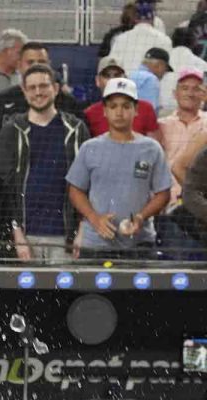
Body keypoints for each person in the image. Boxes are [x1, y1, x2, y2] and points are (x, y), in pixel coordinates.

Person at [0, 64, 89, 263]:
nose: (38, 92)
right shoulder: (12, 131)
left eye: (43, 86)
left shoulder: (77, 130)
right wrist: (17, 235)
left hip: (66, 239)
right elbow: (4, 188)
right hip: (26, 238)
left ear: (55, 88)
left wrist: (82, 229)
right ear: (24, 91)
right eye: (32, 87)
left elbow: (90, 184)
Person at [66, 78, 171, 260]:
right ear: (105, 111)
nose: (119, 112)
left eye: (125, 106)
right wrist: (95, 219)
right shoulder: (90, 148)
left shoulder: (152, 148)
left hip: (140, 244)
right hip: (95, 245)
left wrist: (140, 217)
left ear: (136, 110)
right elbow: (75, 189)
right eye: (113, 106)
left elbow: (163, 193)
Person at [0, 42, 86, 144]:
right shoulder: (2, 101)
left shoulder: (68, 103)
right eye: (30, 62)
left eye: (41, 62)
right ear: (19, 66)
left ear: (49, 65)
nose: (36, 66)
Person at [158, 68, 207, 205]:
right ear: (175, 94)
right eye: (185, 88)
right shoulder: (160, 126)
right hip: (167, 200)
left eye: (196, 89)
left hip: (201, 203)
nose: (190, 93)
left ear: (204, 94)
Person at [84, 56, 160, 139]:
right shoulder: (90, 114)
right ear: (97, 81)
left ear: (126, 78)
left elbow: (154, 146)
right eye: (107, 76)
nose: (112, 80)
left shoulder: (145, 109)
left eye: (117, 75)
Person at [109, 0, 172, 75]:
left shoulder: (120, 38)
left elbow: (111, 65)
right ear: (152, 19)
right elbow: (167, 69)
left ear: (135, 19)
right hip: (153, 84)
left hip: (126, 84)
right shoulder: (164, 39)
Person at [158, 28, 207, 116]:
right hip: (194, 113)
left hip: (163, 112)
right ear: (194, 43)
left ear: (172, 41)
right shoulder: (202, 64)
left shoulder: (161, 62)